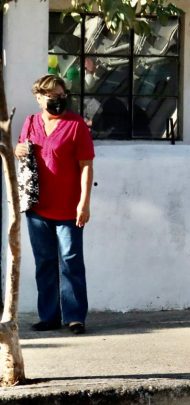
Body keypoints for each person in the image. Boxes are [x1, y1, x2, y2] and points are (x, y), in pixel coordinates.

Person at [15, 74, 95, 335]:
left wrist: (84, 203)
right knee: (44, 262)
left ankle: (74, 316)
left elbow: (86, 166)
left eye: (62, 97)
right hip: (37, 207)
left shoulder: (76, 126)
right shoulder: (30, 123)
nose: (58, 101)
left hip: (69, 208)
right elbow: (21, 149)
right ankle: (49, 316)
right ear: (39, 99)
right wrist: (18, 151)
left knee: (71, 261)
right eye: (52, 97)